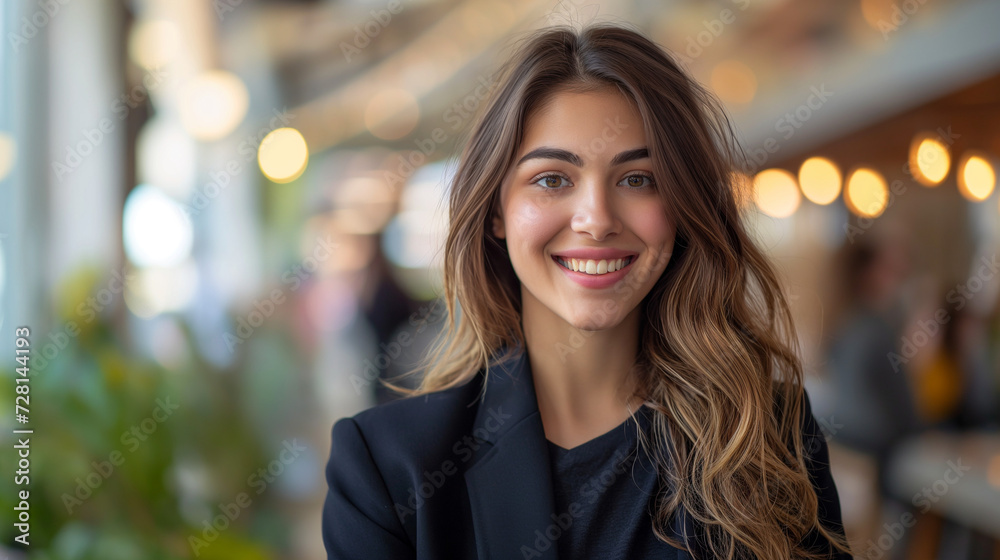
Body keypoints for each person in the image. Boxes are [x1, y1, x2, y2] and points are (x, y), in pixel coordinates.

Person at [322, 22, 853, 560]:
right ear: (497, 213)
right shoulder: (388, 467)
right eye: (552, 179)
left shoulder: (766, 432)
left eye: (638, 178)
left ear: (682, 212)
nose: (596, 220)